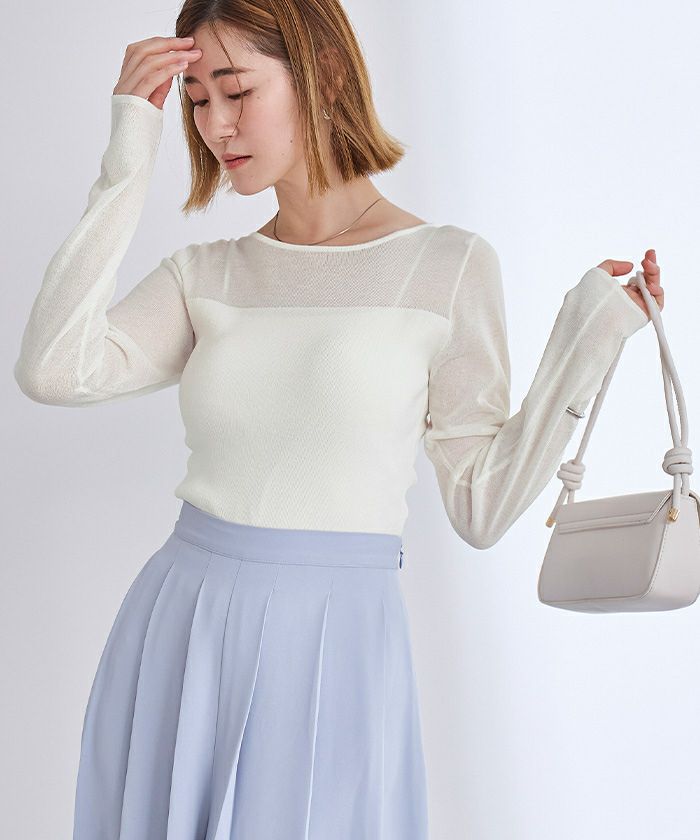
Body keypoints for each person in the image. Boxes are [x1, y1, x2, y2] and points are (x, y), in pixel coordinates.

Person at [13, 1, 665, 838]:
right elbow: (53, 371)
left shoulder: (445, 265)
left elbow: (484, 506)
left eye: (236, 91)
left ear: (321, 74)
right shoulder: (206, 273)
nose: (214, 125)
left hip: (338, 642)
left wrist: (587, 340)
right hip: (186, 627)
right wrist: (127, 156)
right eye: (196, 101)